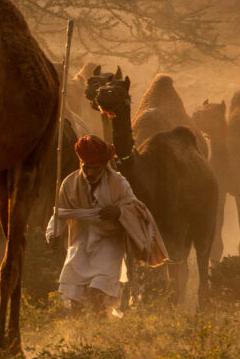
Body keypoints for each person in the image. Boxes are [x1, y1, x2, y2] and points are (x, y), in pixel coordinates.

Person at [46, 135, 158, 317]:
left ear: (104, 166)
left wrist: (119, 212)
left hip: (109, 244)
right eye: (86, 167)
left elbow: (135, 208)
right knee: (75, 299)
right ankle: (80, 339)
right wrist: (52, 233)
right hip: (79, 244)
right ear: (80, 163)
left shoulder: (118, 183)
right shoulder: (69, 183)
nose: (89, 173)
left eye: (95, 168)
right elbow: (60, 214)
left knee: (97, 294)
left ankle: (100, 333)